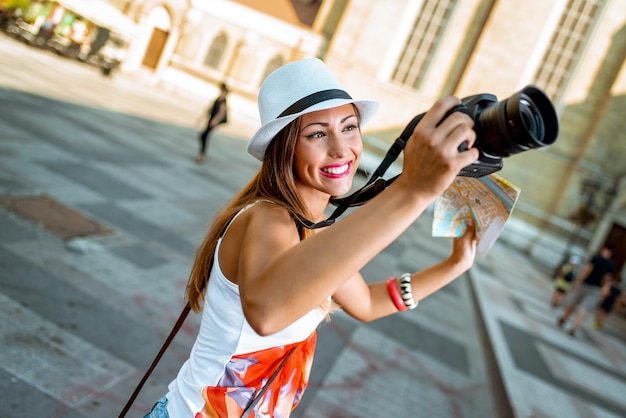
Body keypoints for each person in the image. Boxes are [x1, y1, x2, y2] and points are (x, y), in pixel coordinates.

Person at [145, 58, 479, 417]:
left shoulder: (315, 228)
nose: (340, 149)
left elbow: (367, 302)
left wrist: (455, 265)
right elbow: (266, 313)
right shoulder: (269, 219)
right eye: (318, 134)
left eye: (349, 128)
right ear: (285, 147)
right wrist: (413, 191)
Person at [558, 244, 615, 336]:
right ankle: (574, 327)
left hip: (585, 285)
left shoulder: (596, 258)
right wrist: (603, 291)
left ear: (603, 249)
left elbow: (587, 270)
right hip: (595, 289)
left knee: (573, 303)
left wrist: (578, 281)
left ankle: (564, 318)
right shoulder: (610, 265)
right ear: (611, 253)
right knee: (584, 309)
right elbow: (607, 280)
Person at [196, 83, 229, 163]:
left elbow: (221, 112)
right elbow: (211, 108)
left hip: (213, 121)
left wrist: (215, 121)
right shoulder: (219, 98)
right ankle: (201, 155)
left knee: (204, 136)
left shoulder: (223, 100)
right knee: (204, 136)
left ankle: (202, 155)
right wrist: (203, 117)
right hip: (211, 119)